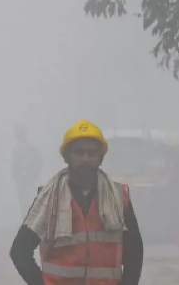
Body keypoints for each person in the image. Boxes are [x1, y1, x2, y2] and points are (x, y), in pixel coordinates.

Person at [10, 120, 143, 285]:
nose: (85, 158)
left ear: (100, 158)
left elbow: (134, 253)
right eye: (79, 152)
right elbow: (20, 251)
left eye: (91, 153)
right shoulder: (47, 198)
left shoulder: (119, 197)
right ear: (67, 157)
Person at [11, 125, 44, 216]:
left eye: (18, 134)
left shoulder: (30, 148)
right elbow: (15, 165)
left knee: (30, 201)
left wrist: (32, 175)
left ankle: (31, 219)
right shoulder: (17, 149)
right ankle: (26, 219)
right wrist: (16, 175)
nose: (17, 136)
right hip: (21, 181)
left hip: (30, 180)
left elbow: (39, 162)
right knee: (23, 202)